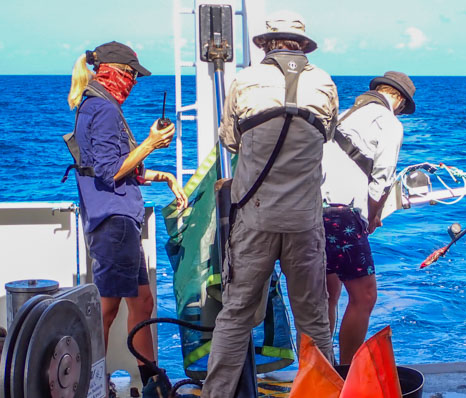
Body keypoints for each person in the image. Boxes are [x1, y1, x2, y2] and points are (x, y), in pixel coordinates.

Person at [201, 10, 338, 397]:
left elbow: (230, 139)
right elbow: (326, 135)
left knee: (236, 316)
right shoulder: (324, 83)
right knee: (314, 323)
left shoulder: (244, 80)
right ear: (302, 46)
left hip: (255, 218)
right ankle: (322, 393)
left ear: (265, 44)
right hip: (305, 221)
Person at [67, 41, 188, 395]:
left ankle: (152, 380)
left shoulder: (95, 105)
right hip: (115, 221)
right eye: (132, 75)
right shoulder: (103, 109)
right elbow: (109, 172)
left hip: (118, 219)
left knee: (143, 301)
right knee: (106, 309)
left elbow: (114, 168)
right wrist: (150, 144)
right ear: (115, 72)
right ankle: (90, 383)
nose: (134, 82)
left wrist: (163, 176)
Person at [320, 71, 416, 364]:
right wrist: (373, 217)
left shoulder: (345, 115)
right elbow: (383, 180)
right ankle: (347, 373)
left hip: (311, 210)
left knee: (328, 293)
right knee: (364, 297)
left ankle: (321, 368)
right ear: (398, 100)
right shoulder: (389, 122)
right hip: (343, 215)